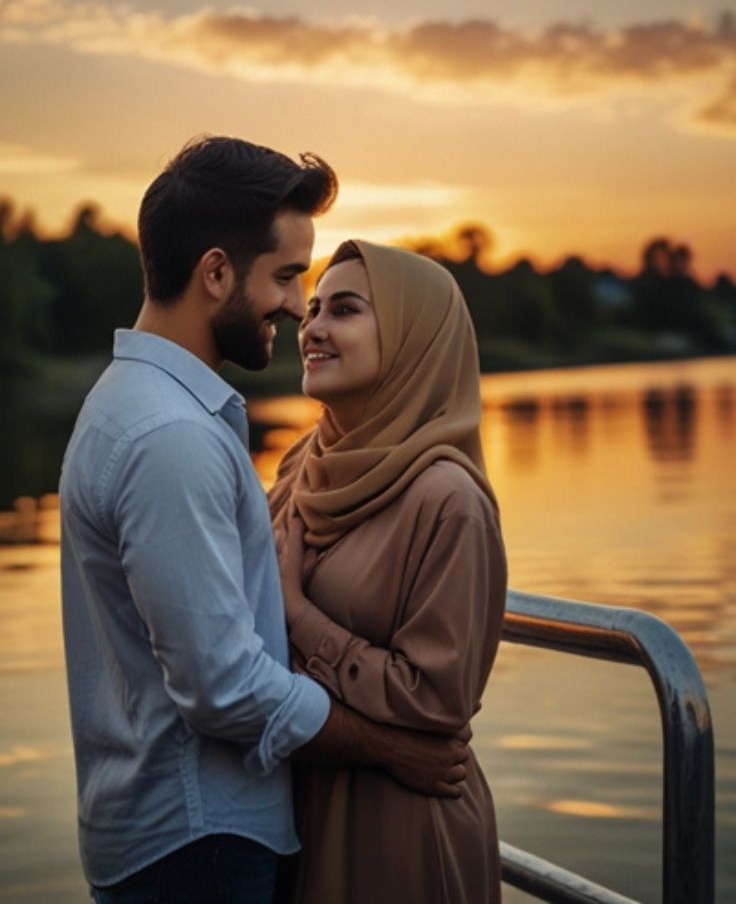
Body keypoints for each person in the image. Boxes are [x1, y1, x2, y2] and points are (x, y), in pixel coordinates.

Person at [59, 137, 468, 904]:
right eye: (285, 276)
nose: (295, 302)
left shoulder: (134, 405)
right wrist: (388, 748)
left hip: (174, 839)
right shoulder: (169, 437)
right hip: (199, 848)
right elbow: (221, 687)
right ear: (215, 272)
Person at [269, 239, 508, 904]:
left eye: (344, 310)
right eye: (313, 308)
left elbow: (437, 701)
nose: (311, 328)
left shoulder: (447, 502)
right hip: (299, 813)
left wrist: (300, 616)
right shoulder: (301, 468)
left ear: (415, 341)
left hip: (402, 829)